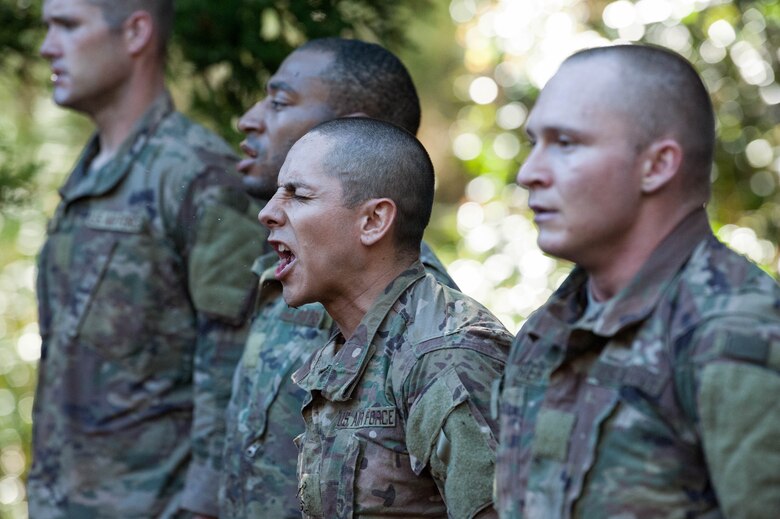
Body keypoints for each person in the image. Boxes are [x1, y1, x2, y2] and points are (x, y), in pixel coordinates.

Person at [495, 44, 780, 518]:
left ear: (657, 165)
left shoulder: (739, 333)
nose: (529, 174)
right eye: (533, 143)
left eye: (565, 143)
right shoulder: (549, 330)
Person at [30, 1, 263, 517]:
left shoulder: (200, 177)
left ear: (136, 32)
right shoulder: (90, 174)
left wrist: (200, 508)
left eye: (67, 25)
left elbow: (235, 366)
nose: (47, 46)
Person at [219, 38, 458, 518]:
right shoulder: (286, 278)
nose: (249, 118)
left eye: (280, 101)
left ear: (350, 128)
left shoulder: (432, 330)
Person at [258, 117, 513, 518]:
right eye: (277, 193)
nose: (269, 213)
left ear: (374, 221)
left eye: (299, 196)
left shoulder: (448, 353)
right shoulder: (352, 345)